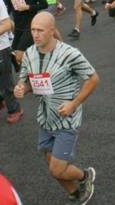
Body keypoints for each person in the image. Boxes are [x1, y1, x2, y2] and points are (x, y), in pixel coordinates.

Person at [14, 12, 98, 205]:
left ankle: (85, 176)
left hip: (67, 119)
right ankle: (76, 192)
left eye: (40, 30)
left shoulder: (70, 54)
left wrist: (73, 104)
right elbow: (27, 82)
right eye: (33, 30)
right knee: (53, 166)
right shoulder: (30, 53)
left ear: (52, 31)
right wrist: (21, 89)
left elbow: (93, 79)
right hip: (45, 118)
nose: (35, 34)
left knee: (56, 169)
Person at [5, 0, 48, 70]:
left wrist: (28, 7)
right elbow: (9, 6)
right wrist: (5, 18)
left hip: (30, 25)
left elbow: (44, 4)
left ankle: (32, 76)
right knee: (14, 53)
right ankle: (34, 72)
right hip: (18, 26)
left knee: (19, 55)